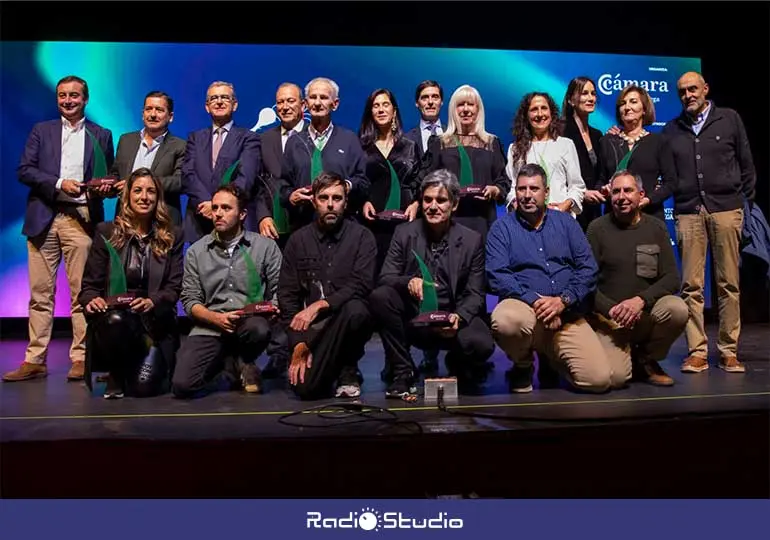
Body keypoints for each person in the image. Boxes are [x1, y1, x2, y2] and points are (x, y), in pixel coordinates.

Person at [4, 75, 114, 383]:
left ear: (85, 99)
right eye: (63, 95)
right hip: (44, 218)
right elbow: (24, 170)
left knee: (83, 293)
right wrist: (57, 184)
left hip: (80, 218)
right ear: (57, 99)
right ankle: (34, 359)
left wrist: (104, 188)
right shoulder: (42, 131)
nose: (68, 100)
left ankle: (80, 357)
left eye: (74, 95)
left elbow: (109, 175)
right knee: (40, 294)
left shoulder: (101, 134)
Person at [488, 163, 623, 394]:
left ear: (546, 192)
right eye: (522, 189)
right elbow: (496, 274)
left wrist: (563, 301)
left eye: (534, 189)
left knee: (599, 381)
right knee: (505, 320)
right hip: (526, 309)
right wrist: (537, 301)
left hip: (567, 313)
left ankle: (552, 358)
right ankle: (523, 364)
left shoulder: (567, 223)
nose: (527, 195)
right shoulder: (502, 228)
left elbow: (587, 268)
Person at [371, 169, 495, 397]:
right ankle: (402, 370)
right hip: (415, 316)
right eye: (427, 200)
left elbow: (476, 293)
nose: (433, 206)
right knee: (380, 297)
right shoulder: (404, 232)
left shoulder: (472, 240)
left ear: (454, 205)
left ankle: (457, 362)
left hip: (452, 316)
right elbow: (385, 277)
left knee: (481, 344)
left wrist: (460, 317)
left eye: (441, 200)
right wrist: (409, 281)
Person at [663, 71, 756, 374]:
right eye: (682, 92)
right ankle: (697, 351)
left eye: (692, 89)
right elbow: (667, 173)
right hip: (688, 211)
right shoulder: (672, 129)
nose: (688, 95)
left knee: (728, 283)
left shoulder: (728, 119)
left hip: (726, 209)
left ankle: (729, 350)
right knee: (691, 286)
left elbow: (746, 164)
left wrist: (743, 200)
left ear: (705, 89)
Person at [78, 168, 184, 398]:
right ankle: (116, 369)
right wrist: (92, 299)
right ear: (127, 196)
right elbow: (88, 287)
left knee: (143, 389)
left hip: (154, 323)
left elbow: (173, 288)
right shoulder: (106, 232)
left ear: (158, 198)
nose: (144, 197)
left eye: (150, 191)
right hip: (116, 320)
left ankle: (136, 364)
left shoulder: (172, 235)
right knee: (115, 320)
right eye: (137, 191)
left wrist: (152, 301)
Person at [172, 184, 281, 398]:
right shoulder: (196, 251)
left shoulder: (265, 247)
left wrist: (271, 310)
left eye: (226, 208)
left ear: (242, 214)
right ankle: (229, 363)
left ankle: (245, 359)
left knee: (258, 329)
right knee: (182, 385)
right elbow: (190, 299)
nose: (218, 213)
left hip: (249, 322)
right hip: (209, 325)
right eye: (215, 208)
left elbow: (279, 291)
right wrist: (215, 318)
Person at [586, 170, 688, 387]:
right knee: (617, 378)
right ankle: (628, 357)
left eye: (628, 190)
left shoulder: (656, 227)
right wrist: (612, 310)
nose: (621, 196)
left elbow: (671, 278)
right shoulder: (597, 229)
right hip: (611, 321)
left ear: (641, 195)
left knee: (677, 309)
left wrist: (640, 301)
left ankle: (646, 358)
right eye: (616, 191)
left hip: (645, 314)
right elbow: (586, 283)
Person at [281, 172, 377, 400]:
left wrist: (320, 305)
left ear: (346, 202)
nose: (331, 204)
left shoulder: (363, 237)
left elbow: (362, 285)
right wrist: (298, 344)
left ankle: (347, 370)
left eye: (337, 198)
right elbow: (287, 296)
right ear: (314, 201)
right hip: (311, 331)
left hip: (345, 323)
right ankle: (328, 370)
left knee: (357, 310)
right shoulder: (297, 240)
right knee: (305, 390)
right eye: (324, 198)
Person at [253, 81, 307, 379]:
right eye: (280, 103)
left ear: (303, 105)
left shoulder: (315, 139)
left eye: (291, 101)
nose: (285, 107)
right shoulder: (266, 139)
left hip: (308, 226)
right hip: (274, 229)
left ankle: (309, 349)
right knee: (275, 293)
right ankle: (277, 354)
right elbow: (260, 185)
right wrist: (262, 216)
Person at [276, 77, 369, 234]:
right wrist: (291, 196)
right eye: (313, 97)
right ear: (305, 104)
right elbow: (283, 186)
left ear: (335, 104)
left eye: (324, 97)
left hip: (343, 229)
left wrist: (346, 186)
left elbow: (364, 182)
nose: (317, 103)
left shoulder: (349, 139)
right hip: (303, 229)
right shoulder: (294, 142)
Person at [426, 84, 510, 240]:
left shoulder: (492, 143)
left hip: (482, 222)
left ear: (478, 109)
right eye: (460, 105)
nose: (465, 109)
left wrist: (495, 190)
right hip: (448, 221)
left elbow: (503, 181)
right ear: (453, 109)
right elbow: (429, 181)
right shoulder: (440, 143)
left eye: (470, 104)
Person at [181, 81, 261, 242]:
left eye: (225, 97)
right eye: (214, 98)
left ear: (235, 104)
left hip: (234, 222)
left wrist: (219, 206)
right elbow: (187, 174)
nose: (219, 102)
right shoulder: (194, 138)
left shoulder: (249, 138)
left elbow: (246, 177)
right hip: (199, 219)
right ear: (207, 106)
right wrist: (206, 203)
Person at [358, 88, 422, 273]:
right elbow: (356, 179)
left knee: (402, 272)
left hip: (404, 221)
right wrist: (362, 202)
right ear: (370, 112)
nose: (380, 109)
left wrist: (416, 204)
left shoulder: (410, 146)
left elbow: (420, 180)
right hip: (371, 223)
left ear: (394, 110)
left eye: (385, 104)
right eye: (375, 106)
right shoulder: (361, 146)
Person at [596, 85, 678, 222]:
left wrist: (648, 200)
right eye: (623, 103)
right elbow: (600, 180)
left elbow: (671, 183)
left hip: (649, 217)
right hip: (614, 218)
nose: (627, 107)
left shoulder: (659, 142)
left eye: (633, 102)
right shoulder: (607, 142)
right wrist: (603, 190)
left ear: (644, 109)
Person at [110, 91, 186, 225]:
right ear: (142, 114)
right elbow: (116, 173)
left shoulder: (180, 146)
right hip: (125, 219)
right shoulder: (126, 140)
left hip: (162, 221)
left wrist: (140, 184)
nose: (152, 114)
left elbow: (180, 182)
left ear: (170, 116)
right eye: (148, 109)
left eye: (159, 110)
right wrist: (107, 184)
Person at [505, 92, 585, 219]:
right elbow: (512, 187)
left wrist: (563, 207)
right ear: (526, 116)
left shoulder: (565, 145)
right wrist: (517, 205)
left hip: (560, 219)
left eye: (544, 108)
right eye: (534, 110)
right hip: (526, 221)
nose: (540, 114)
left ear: (551, 113)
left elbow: (577, 186)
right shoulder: (515, 149)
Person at [561, 76, 604, 230]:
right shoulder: (560, 131)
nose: (590, 98)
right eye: (584, 93)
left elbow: (600, 172)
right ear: (571, 100)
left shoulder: (598, 135)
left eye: (593, 93)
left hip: (594, 210)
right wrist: (582, 193)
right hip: (569, 209)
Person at [404, 80, 445, 160]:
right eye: (425, 98)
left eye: (435, 97)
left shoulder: (453, 135)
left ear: (441, 102)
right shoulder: (406, 140)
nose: (430, 102)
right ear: (417, 103)